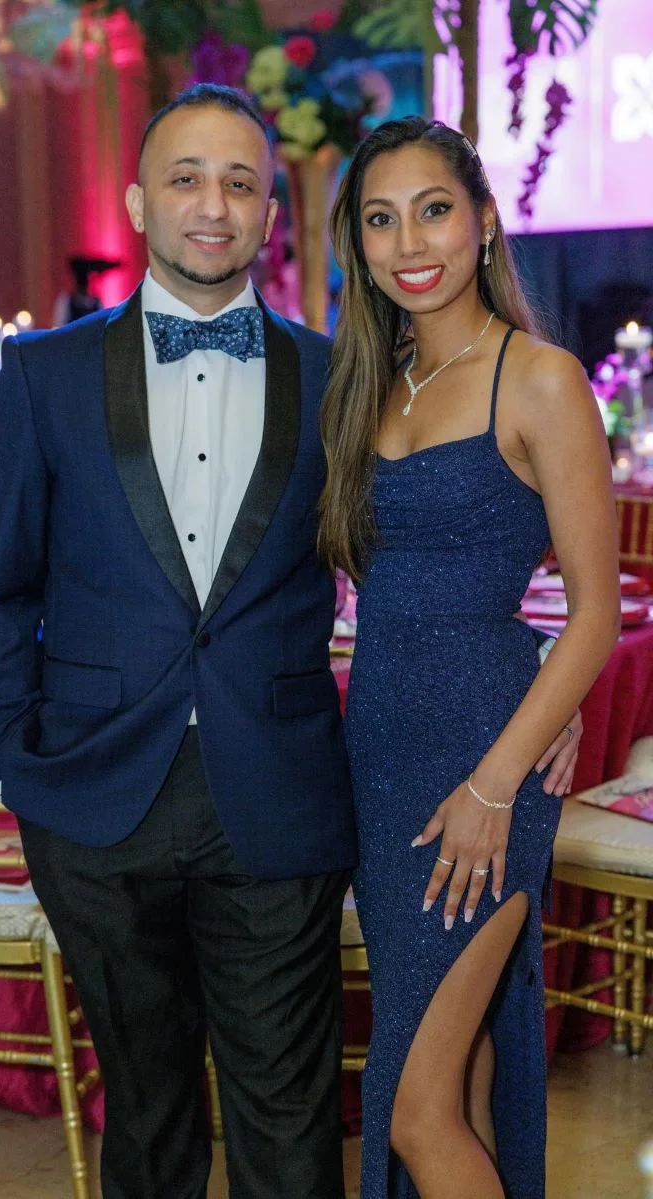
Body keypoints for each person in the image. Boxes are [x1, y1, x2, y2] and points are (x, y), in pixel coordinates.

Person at [0, 88, 582, 1199]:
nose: (214, 204)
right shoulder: (44, 374)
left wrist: (536, 685)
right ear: (137, 203)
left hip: (284, 799)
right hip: (97, 802)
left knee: (294, 1122)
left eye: (240, 183)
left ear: (270, 216)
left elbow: (457, 544)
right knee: (144, 1113)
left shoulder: (336, 376)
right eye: (187, 179)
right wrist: (15, 766)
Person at [319, 116, 619, 1199]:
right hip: (381, 752)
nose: (410, 241)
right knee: (462, 1077)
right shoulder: (371, 378)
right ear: (356, 243)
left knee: (413, 1109)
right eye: (380, 218)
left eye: (434, 209)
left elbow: (594, 614)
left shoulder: (539, 378)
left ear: (484, 221)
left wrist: (497, 784)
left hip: (482, 765)